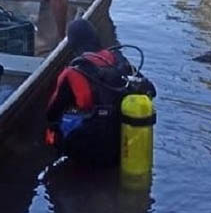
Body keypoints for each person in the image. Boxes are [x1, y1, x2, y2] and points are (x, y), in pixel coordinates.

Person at [45, 20, 156, 166]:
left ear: (72, 44)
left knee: (52, 128)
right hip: (123, 144)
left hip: (90, 147)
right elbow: (151, 90)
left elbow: (51, 113)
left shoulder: (71, 73)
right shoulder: (119, 61)